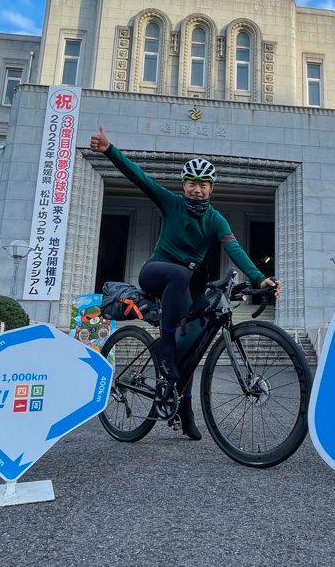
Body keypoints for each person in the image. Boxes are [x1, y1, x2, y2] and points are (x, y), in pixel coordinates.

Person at [90, 125, 279, 440]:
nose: (198, 189)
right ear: (184, 184)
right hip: (156, 273)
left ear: (211, 188)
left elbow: (234, 248)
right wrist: (109, 149)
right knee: (179, 277)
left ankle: (185, 407)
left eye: (204, 185)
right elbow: (139, 177)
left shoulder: (215, 220)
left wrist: (259, 279)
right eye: (192, 183)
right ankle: (164, 346)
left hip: (187, 287)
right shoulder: (171, 203)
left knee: (190, 347)